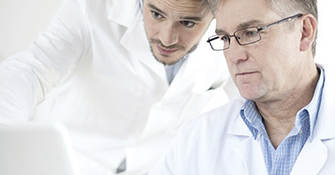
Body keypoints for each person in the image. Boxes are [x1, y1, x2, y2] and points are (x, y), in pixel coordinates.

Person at [149, 0, 335, 174]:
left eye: (250, 32)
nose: (234, 55)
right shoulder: (197, 139)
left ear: (304, 32)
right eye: (225, 38)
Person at [0, 0, 237, 174]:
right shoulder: (92, 9)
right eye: (156, 14)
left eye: (188, 23)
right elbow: (31, 69)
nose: (167, 38)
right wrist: (7, 137)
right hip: (73, 163)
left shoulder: (231, 35)